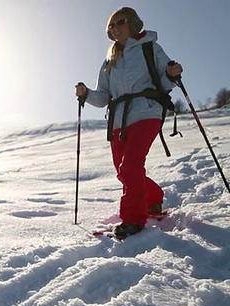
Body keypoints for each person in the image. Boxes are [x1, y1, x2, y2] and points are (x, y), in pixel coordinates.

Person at [75, 7, 183, 239]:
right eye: (111, 26)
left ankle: (133, 219)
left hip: (147, 112)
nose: (114, 28)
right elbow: (104, 96)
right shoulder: (108, 62)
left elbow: (165, 80)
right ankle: (153, 199)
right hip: (118, 121)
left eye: (119, 22)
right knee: (123, 171)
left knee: (130, 166)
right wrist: (86, 94)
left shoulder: (149, 48)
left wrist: (173, 73)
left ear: (132, 23)